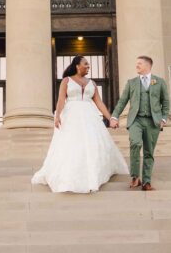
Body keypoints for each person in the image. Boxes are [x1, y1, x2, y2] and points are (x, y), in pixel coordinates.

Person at [31, 55, 129, 193]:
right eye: (86, 64)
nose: (88, 67)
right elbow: (60, 100)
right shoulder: (66, 81)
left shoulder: (92, 83)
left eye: (89, 65)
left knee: (91, 143)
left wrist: (111, 118)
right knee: (72, 143)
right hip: (71, 116)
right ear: (77, 65)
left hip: (90, 116)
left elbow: (99, 103)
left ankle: (93, 173)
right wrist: (57, 116)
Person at [111, 55, 171, 191]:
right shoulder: (131, 82)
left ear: (148, 65)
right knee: (135, 144)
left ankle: (147, 181)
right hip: (135, 120)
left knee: (149, 152)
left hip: (153, 121)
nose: (137, 66)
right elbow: (122, 101)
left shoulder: (160, 82)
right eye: (136, 63)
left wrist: (163, 119)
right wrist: (115, 116)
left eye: (139, 63)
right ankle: (135, 177)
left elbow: (166, 102)